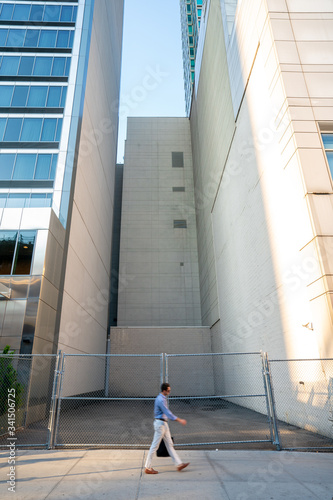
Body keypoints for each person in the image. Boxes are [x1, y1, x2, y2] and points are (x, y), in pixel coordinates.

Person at [144, 382, 190, 474]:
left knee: (169, 444)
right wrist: (180, 420)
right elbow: (168, 413)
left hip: (164, 424)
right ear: (164, 390)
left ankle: (179, 464)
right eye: (168, 390)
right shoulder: (161, 400)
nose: (169, 392)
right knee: (154, 446)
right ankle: (147, 467)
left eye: (170, 390)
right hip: (160, 424)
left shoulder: (162, 398)